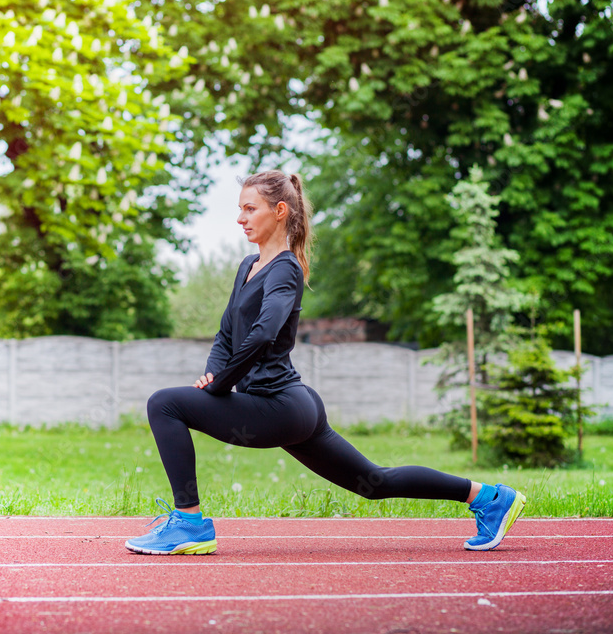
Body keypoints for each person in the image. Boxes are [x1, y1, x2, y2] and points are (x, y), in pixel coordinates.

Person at [124, 170, 526, 556]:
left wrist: (219, 387)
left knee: (164, 403)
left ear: (279, 211)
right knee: (374, 482)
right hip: (295, 408)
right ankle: (489, 498)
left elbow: (264, 334)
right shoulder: (248, 266)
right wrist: (214, 372)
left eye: (250, 209)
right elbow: (227, 333)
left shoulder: (285, 269)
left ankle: (189, 523)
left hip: (278, 407)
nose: (240, 218)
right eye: (240, 209)